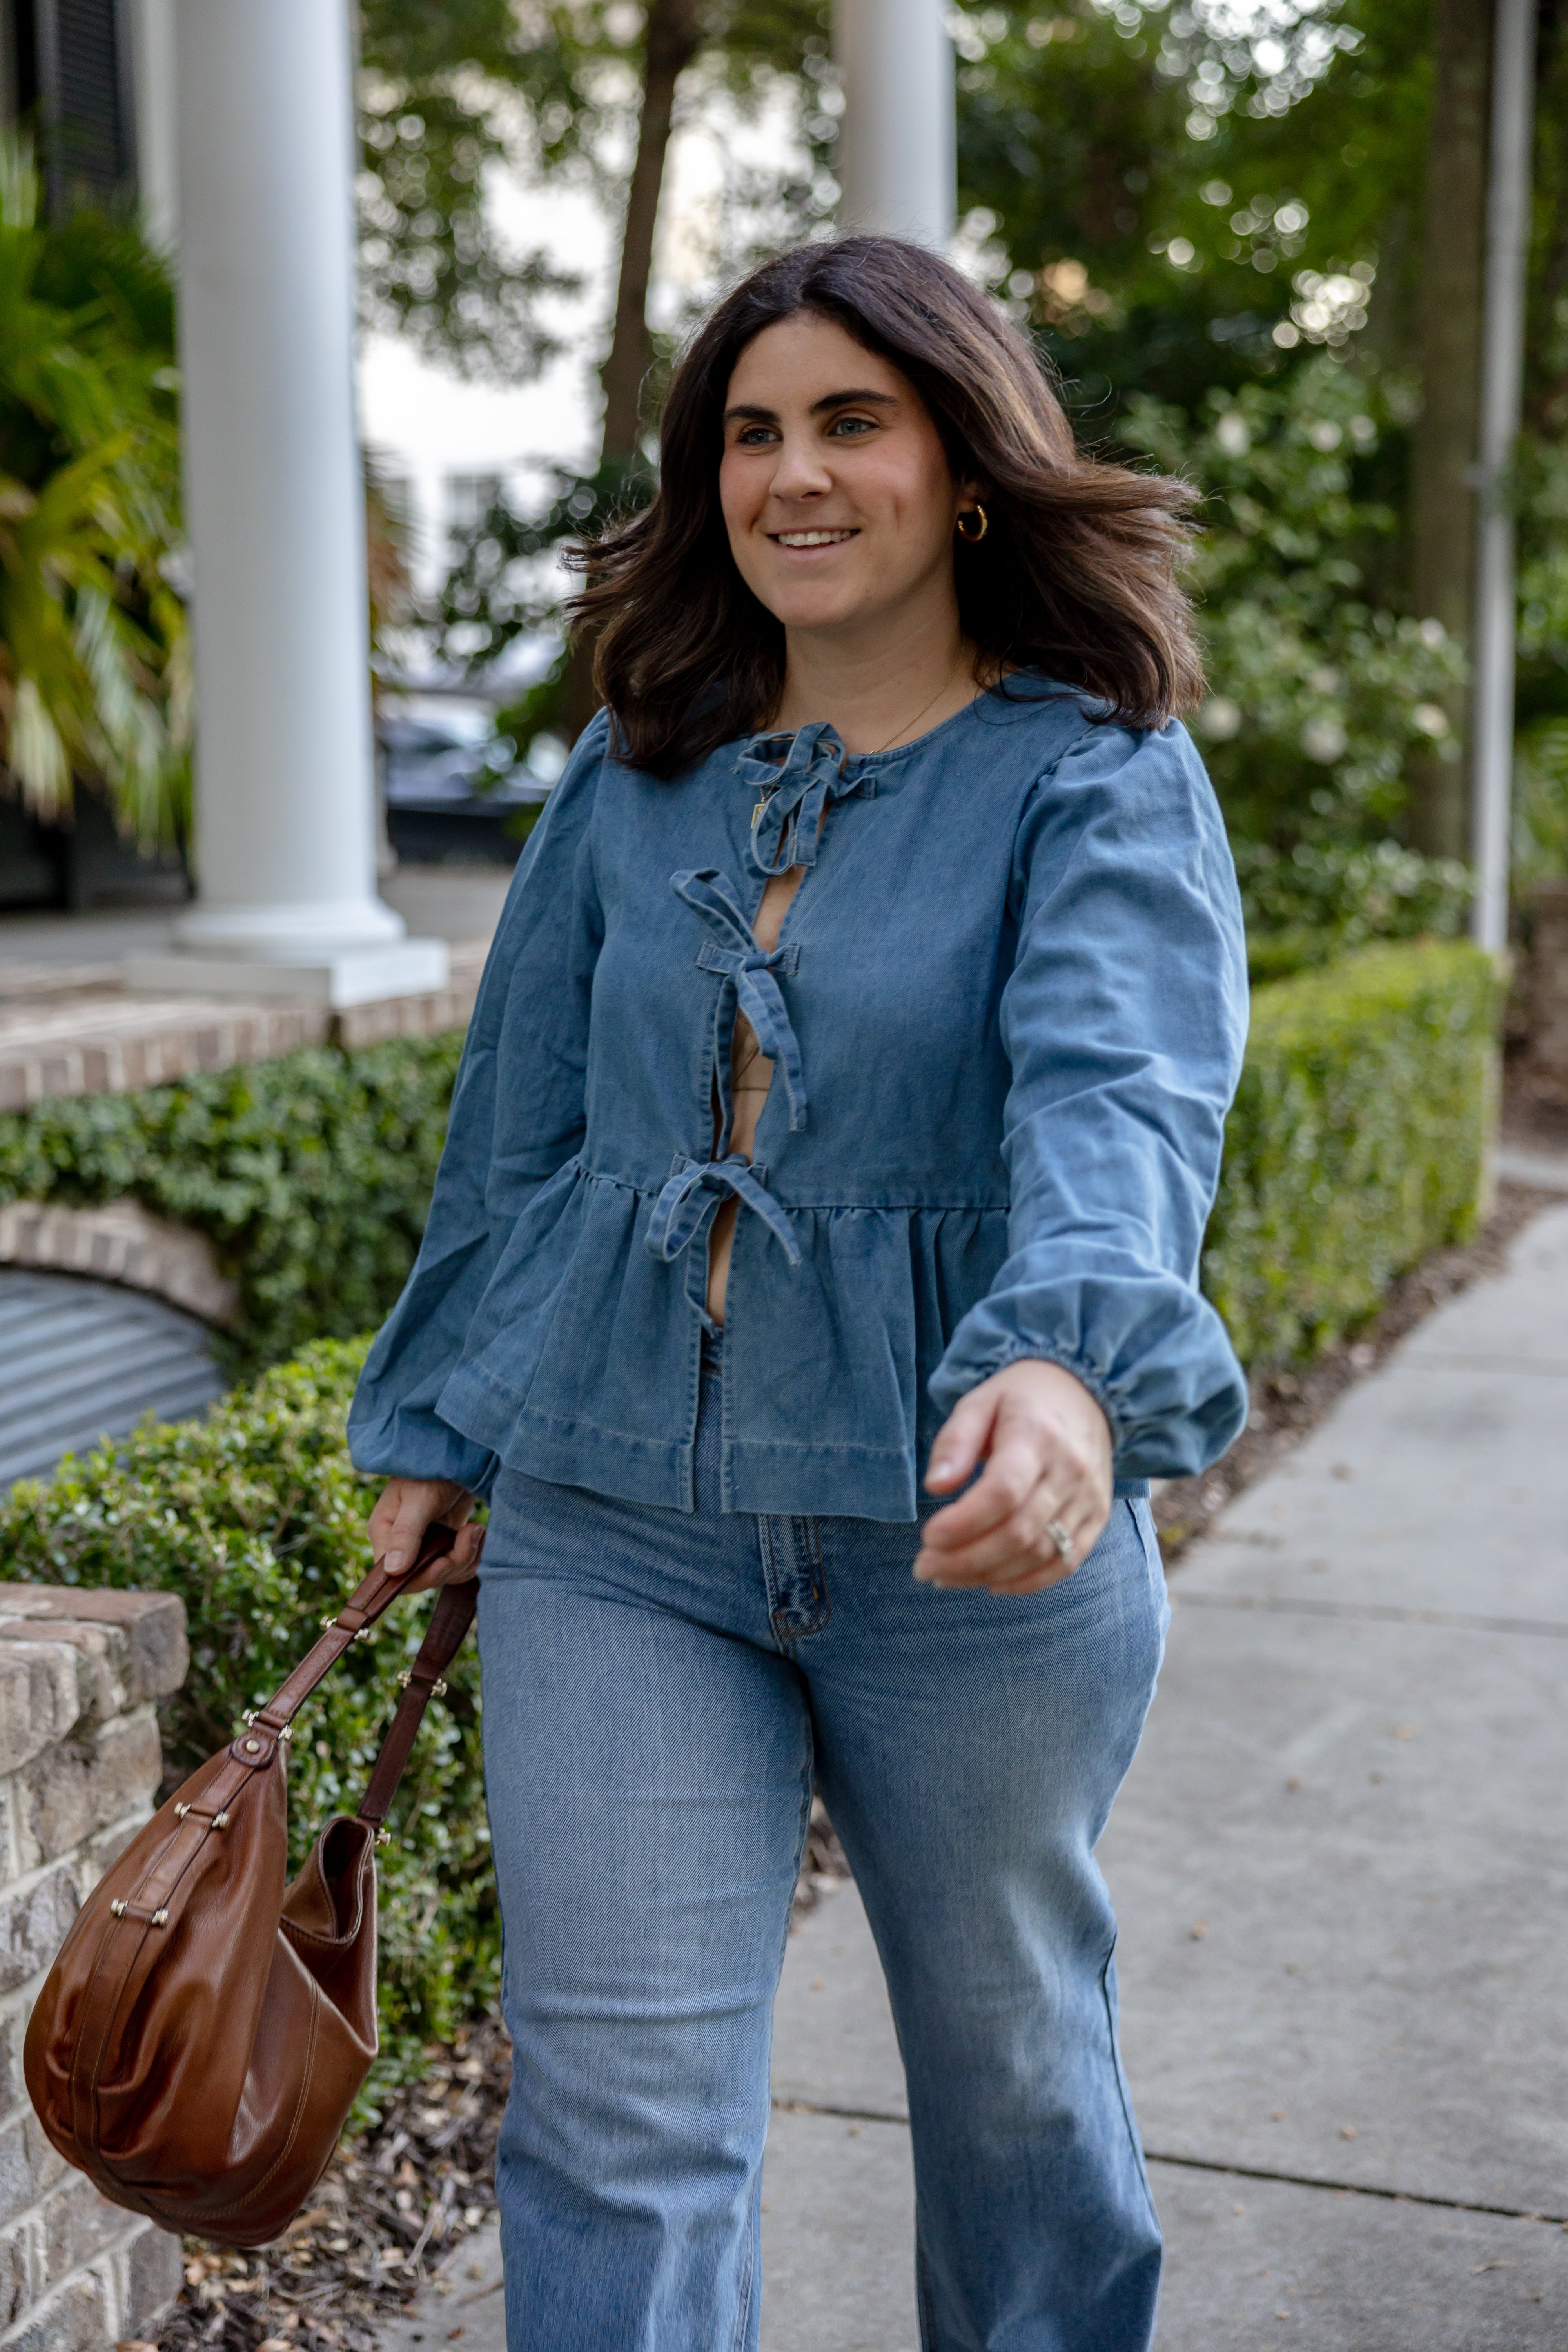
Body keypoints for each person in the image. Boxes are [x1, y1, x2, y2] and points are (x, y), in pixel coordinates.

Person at [349, 235, 1249, 2352]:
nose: (794, 475)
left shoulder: (1094, 771)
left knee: (1017, 2088)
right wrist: (439, 1423)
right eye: (750, 433)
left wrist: (1066, 1376)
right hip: (614, 1526)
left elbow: (1119, 1099)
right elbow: (526, 1128)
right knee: (615, 2127)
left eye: (856, 420)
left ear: (971, 462)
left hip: (964, 1543)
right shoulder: (634, 760)